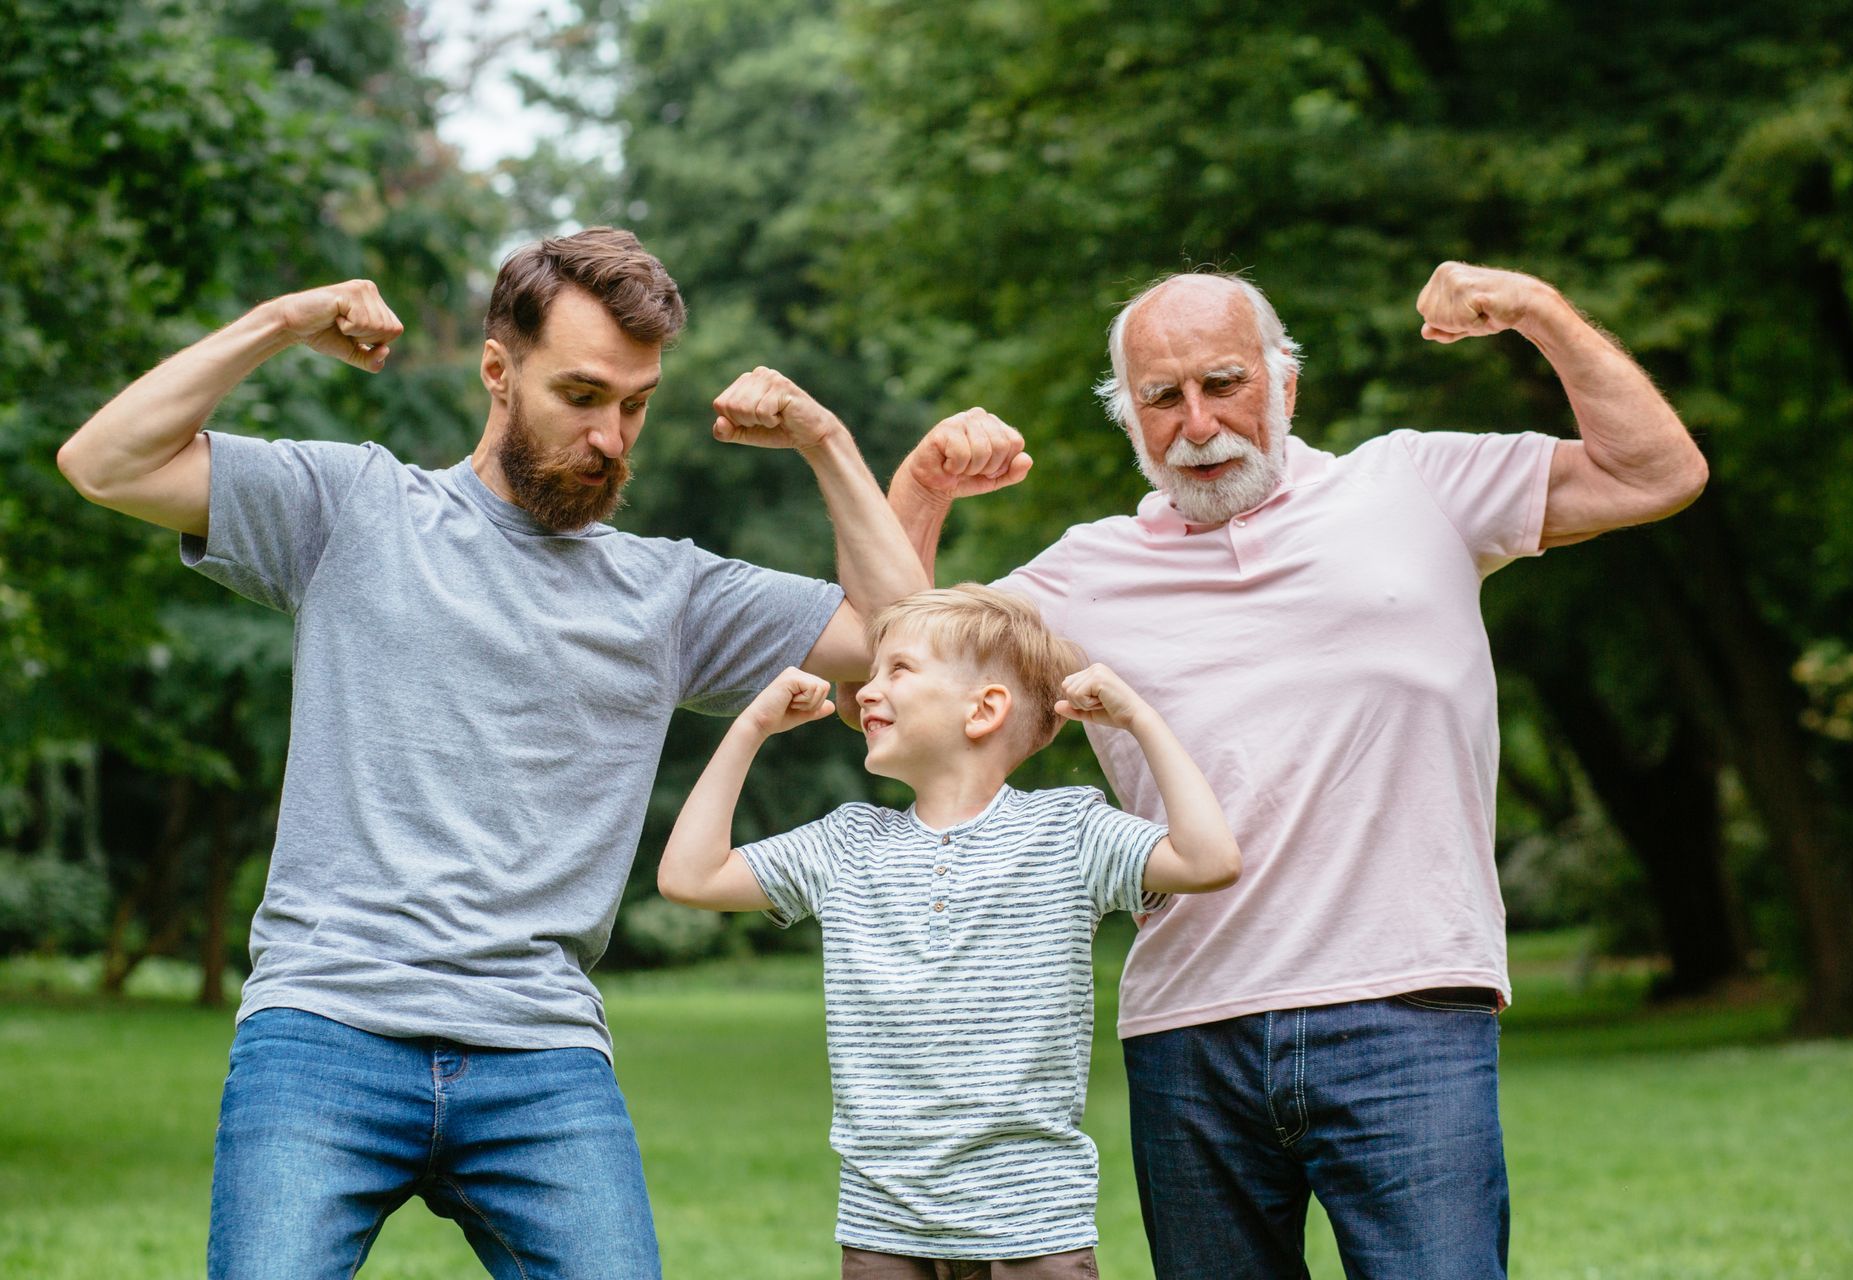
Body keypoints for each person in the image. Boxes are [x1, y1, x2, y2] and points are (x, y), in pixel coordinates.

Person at [54, 227, 927, 1279]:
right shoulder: (355, 509)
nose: (612, 436)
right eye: (582, 394)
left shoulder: (671, 592)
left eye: (635, 403)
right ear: (497, 371)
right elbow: (104, 461)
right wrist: (284, 322)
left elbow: (909, 641)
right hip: (327, 1024)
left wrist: (825, 438)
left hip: (541, 1049)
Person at [881, 263, 1710, 1279]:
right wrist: (918, 495)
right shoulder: (1082, 572)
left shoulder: (1417, 485)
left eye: (1223, 382)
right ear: (1130, 420)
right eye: (1161, 397)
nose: (1196, 422)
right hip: (1191, 1035)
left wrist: (1538, 312)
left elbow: (1654, 472)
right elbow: (890, 686)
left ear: (1285, 384)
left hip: (1409, 1011)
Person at [657, 584, 1241, 1278]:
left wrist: (1139, 719)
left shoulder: (1067, 832)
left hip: (1031, 1226)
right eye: (871, 672)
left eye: (898, 670)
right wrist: (748, 727)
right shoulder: (847, 844)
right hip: (885, 1223)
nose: (867, 691)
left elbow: (1209, 860)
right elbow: (689, 877)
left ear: (985, 709)